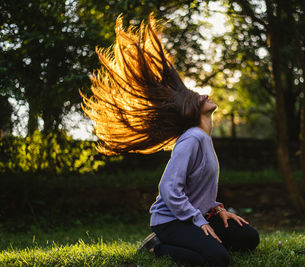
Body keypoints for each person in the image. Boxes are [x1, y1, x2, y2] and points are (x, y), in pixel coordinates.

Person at [80, 13, 259, 266]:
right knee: (218, 259)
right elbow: (168, 188)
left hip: (197, 215)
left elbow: (198, 190)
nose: (206, 94)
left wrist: (218, 209)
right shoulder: (192, 139)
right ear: (191, 109)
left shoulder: (204, 138)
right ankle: (159, 247)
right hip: (172, 220)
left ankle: (197, 238)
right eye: (199, 97)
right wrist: (198, 221)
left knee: (248, 238)